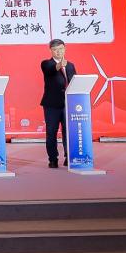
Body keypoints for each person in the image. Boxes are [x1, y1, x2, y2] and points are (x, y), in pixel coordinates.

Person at [41, 38, 75, 168]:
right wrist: (59, 65)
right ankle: (53, 159)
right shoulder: (46, 64)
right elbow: (50, 70)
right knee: (51, 132)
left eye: (60, 49)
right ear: (51, 51)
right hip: (52, 105)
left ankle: (69, 156)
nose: (58, 52)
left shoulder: (70, 65)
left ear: (65, 49)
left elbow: (74, 82)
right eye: (55, 50)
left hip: (68, 104)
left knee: (68, 131)